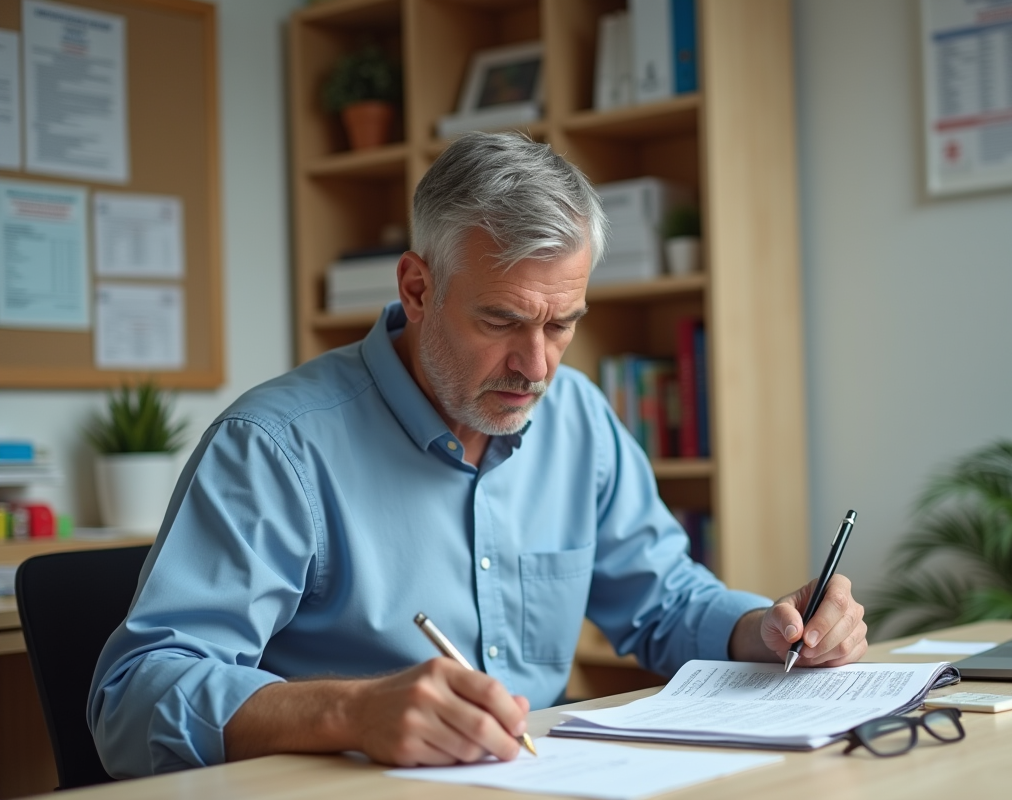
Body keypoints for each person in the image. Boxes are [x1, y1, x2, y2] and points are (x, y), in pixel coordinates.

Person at [88, 132, 868, 777]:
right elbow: (133, 698)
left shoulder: (579, 420)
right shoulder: (275, 448)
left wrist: (768, 630)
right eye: (501, 321)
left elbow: (663, 601)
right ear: (418, 288)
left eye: (562, 324)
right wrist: (353, 712)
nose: (537, 365)